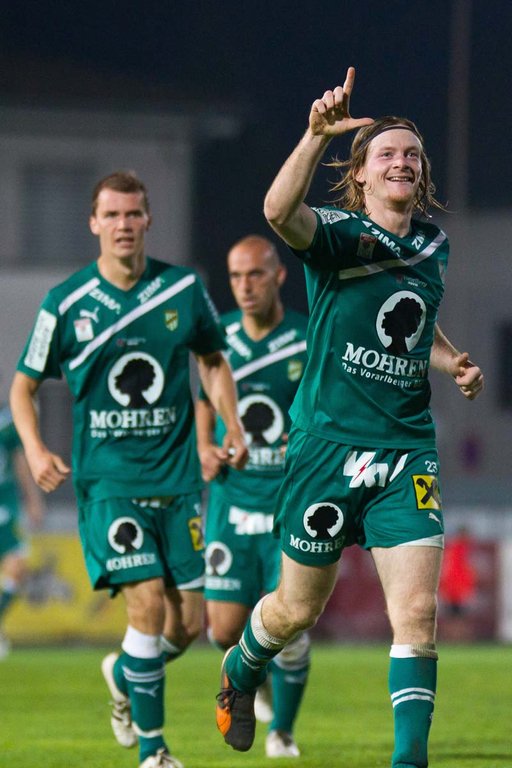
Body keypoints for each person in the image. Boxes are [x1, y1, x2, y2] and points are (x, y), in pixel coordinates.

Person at [215, 67, 484, 767]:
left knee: (417, 615)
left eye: (412, 154)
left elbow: (413, 322)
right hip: (327, 449)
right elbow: (278, 212)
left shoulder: (433, 246)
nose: (402, 162)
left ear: (422, 174)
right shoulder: (336, 236)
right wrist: (314, 137)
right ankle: (242, 667)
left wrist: (450, 360)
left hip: (405, 451)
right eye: (386, 153)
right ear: (360, 175)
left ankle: (409, 761)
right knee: (295, 610)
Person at [10, 170, 247, 768]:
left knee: (185, 626)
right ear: (93, 222)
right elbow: (23, 386)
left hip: (176, 482)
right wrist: (35, 449)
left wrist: (232, 425)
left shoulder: (183, 289)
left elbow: (213, 361)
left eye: (133, 214)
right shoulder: (66, 302)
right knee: (145, 604)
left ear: (148, 220)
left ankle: (123, 672)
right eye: (111, 215)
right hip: (108, 483)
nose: (123, 224)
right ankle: (153, 750)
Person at [196, 235, 309, 758]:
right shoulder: (218, 337)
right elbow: (204, 400)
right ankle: (252, 673)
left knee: (291, 621)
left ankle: (282, 730)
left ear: (279, 276)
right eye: (236, 276)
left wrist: (301, 440)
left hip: (287, 503)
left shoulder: (306, 338)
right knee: (223, 630)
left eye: (255, 274)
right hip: (230, 500)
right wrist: (205, 446)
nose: (244, 286)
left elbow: (325, 403)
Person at [0, 402, 44, 658]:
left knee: (17, 567)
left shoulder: (7, 424)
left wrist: (33, 500)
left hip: (5, 506)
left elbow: (20, 462)